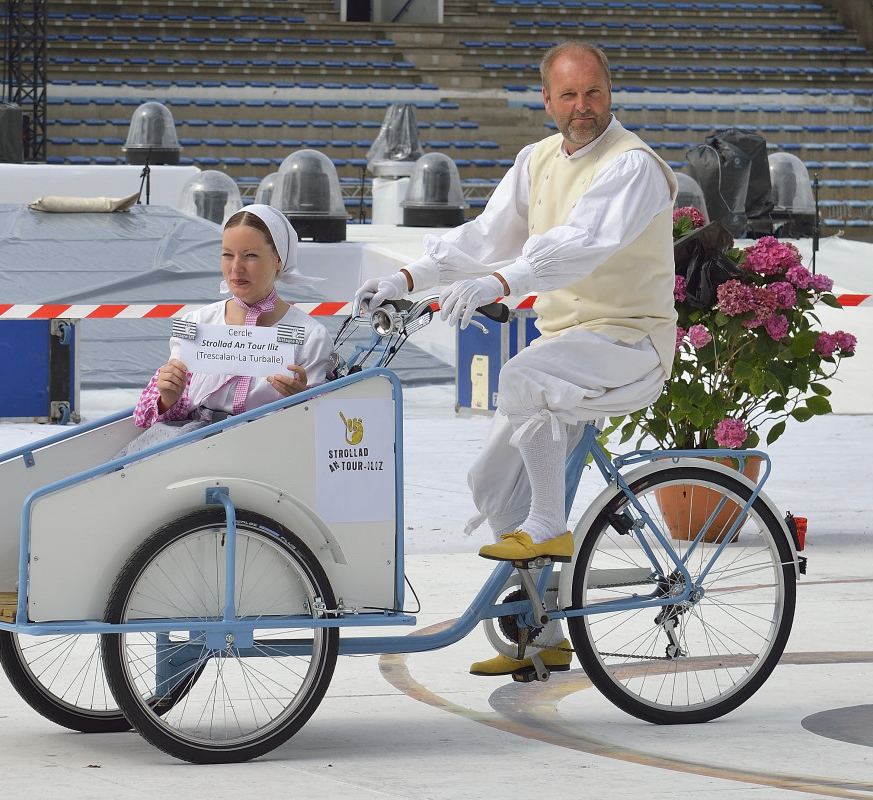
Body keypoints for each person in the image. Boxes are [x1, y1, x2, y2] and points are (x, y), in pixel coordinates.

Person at [358, 41, 678, 677]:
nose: (582, 107)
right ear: (548, 100)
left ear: (609, 92)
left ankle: (551, 523)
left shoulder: (632, 165)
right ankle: (544, 632)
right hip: (573, 342)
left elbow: (579, 246)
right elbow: (484, 237)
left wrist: (500, 284)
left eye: (592, 92)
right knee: (491, 484)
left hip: (628, 340)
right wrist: (405, 278)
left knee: (521, 376)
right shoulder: (537, 161)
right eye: (569, 95)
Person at [121, 204, 331, 455]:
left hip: (268, 452)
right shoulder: (196, 323)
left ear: (279, 259)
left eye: (251, 255)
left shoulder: (310, 335)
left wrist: (300, 402)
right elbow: (156, 413)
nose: (236, 267)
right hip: (191, 443)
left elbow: (320, 429)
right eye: (227, 255)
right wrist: (168, 397)